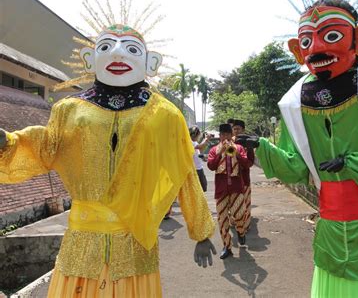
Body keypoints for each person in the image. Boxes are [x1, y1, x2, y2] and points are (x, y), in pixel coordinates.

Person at [237, 0, 358, 298]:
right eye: (307, 41)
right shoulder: (294, 102)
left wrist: (354, 163)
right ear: (297, 49)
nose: (316, 48)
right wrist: (262, 147)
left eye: (331, 36)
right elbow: (296, 167)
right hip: (331, 230)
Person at [0, 24, 216, 298]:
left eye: (131, 49)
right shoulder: (69, 109)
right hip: (82, 243)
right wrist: (8, 144)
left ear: (150, 63)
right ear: (90, 60)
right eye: (105, 47)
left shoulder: (165, 114)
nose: (117, 54)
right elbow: (45, 146)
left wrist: (200, 231)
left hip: (134, 243)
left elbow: (182, 172)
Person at [207, 123, 251, 259]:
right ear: (219, 136)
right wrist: (220, 153)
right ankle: (227, 246)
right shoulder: (214, 150)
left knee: (239, 214)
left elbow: (247, 164)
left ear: (232, 135)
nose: (225, 137)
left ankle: (240, 231)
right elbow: (211, 166)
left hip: (236, 188)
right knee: (222, 219)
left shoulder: (238, 148)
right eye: (222, 135)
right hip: (221, 190)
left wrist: (237, 153)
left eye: (227, 134)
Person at [232, 119, 254, 233]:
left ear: (243, 130)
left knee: (246, 203)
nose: (236, 131)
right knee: (233, 203)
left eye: (238, 129)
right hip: (231, 180)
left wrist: (240, 157)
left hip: (244, 179)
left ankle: (246, 225)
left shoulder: (248, 143)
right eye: (234, 129)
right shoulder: (229, 143)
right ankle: (235, 222)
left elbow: (250, 162)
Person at [189, 125, 212, 192]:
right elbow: (200, 146)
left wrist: (202, 157)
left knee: (203, 187)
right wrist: (206, 139)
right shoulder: (190, 142)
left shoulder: (194, 142)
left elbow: (199, 152)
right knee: (198, 189)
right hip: (195, 169)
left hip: (199, 168)